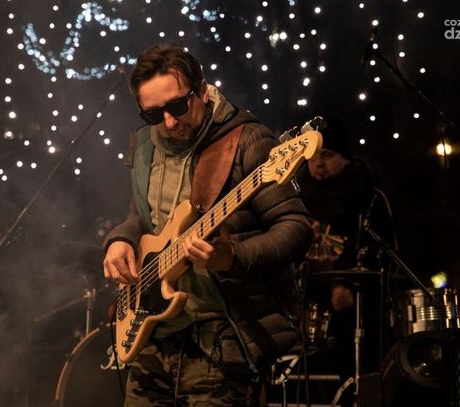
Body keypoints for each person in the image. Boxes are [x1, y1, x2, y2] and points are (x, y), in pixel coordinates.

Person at [102, 42, 313, 406]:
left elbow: (296, 227)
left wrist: (233, 257)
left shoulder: (246, 139)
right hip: (153, 338)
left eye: (177, 106)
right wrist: (119, 239)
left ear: (201, 90)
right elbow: (141, 216)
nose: (169, 122)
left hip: (222, 339)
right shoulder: (144, 145)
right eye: (153, 114)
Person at [294, 117, 397, 404]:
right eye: (312, 157)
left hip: (358, 312)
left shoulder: (369, 197)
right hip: (307, 305)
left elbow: (382, 254)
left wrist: (346, 285)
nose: (318, 163)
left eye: (327, 155)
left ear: (345, 157)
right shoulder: (297, 196)